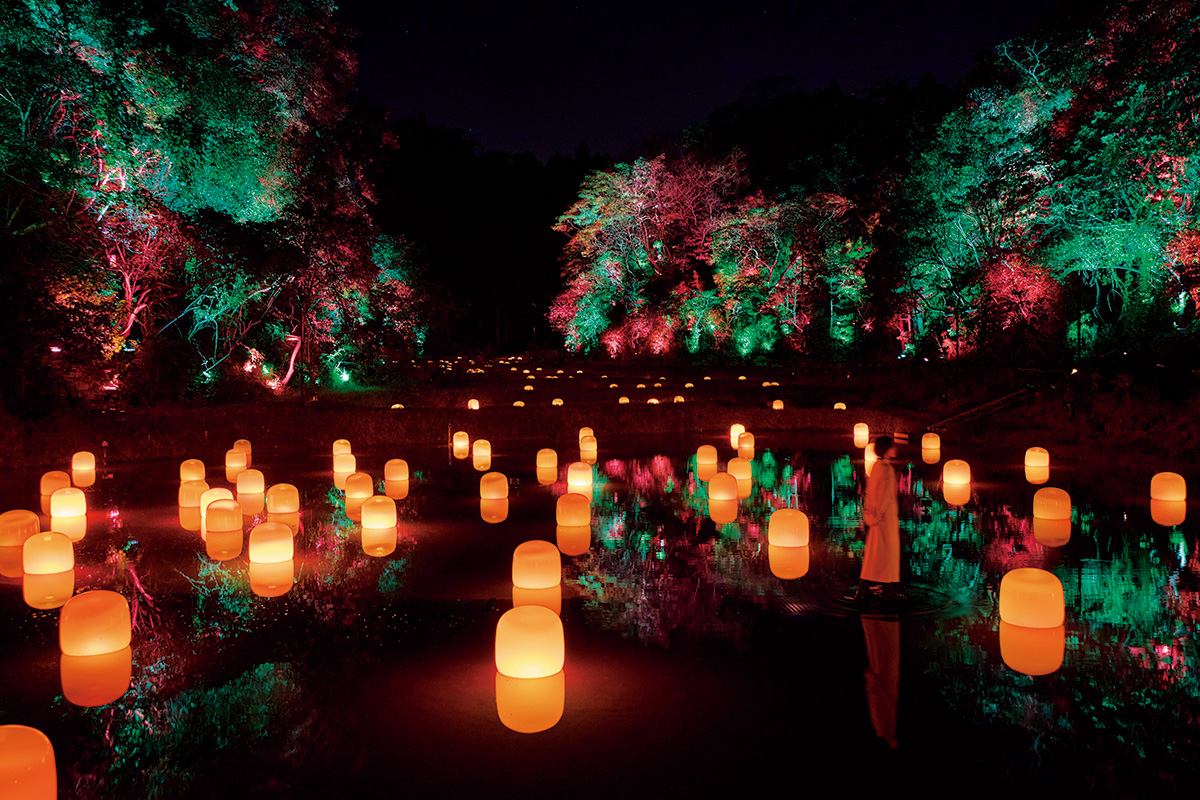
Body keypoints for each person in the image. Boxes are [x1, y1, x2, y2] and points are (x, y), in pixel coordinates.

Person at [859, 435, 900, 604]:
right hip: (886, 518)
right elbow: (885, 497)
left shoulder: (876, 466)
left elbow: (869, 491)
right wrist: (877, 516)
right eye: (893, 446)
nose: (895, 449)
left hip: (876, 516)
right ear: (886, 449)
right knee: (888, 553)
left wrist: (869, 513)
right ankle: (887, 588)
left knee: (875, 552)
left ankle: (866, 586)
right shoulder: (887, 469)